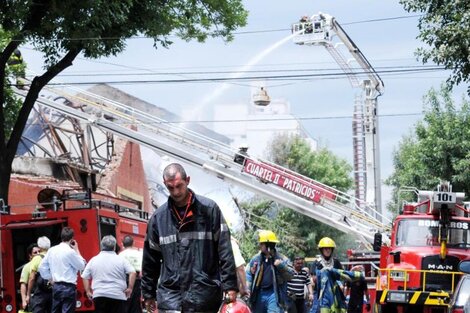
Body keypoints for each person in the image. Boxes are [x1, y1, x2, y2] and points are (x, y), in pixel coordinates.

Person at [141, 163, 238, 313]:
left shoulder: (209, 210)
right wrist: (148, 293)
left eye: (179, 186)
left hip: (204, 295)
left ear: (188, 180)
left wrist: (230, 285)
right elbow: (150, 261)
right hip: (171, 298)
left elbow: (224, 249)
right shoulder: (158, 219)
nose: (176, 192)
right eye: (171, 188)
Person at [82, 235, 136, 313]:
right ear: (114, 247)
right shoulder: (121, 260)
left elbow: (85, 276)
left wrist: (88, 291)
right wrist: (130, 288)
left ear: (101, 246)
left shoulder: (94, 260)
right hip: (118, 295)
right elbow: (132, 272)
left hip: (99, 295)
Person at [39, 227, 86, 313]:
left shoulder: (52, 250)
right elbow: (82, 266)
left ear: (61, 237)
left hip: (56, 286)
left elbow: (42, 267)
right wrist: (76, 249)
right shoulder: (70, 252)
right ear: (72, 239)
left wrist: (50, 278)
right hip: (69, 287)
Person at [246, 230, 294, 313]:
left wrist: (281, 266)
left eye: (261, 243)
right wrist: (248, 290)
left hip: (274, 294)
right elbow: (248, 275)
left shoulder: (282, 259)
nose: (259, 245)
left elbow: (291, 276)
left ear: (269, 245)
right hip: (258, 294)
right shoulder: (255, 259)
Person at [310, 237, 343, 313]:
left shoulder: (336, 262)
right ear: (321, 250)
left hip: (334, 293)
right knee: (316, 310)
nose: (328, 250)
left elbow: (341, 276)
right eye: (325, 248)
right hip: (319, 293)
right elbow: (313, 278)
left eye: (329, 248)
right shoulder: (316, 263)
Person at [27, 236, 52, 313]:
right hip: (53, 290)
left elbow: (32, 278)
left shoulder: (37, 258)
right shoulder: (54, 256)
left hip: (40, 293)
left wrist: (28, 293)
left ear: (40, 247)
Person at [119, 235, 143, 313]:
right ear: (133, 243)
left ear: (122, 244)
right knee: (135, 304)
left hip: (124, 281)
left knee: (125, 304)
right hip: (137, 280)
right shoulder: (139, 253)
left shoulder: (120, 255)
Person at [20, 243, 40, 311]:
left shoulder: (45, 265)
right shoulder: (27, 267)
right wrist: (24, 300)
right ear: (30, 255)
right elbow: (23, 284)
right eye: (35, 252)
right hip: (33, 298)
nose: (38, 254)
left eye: (39, 252)